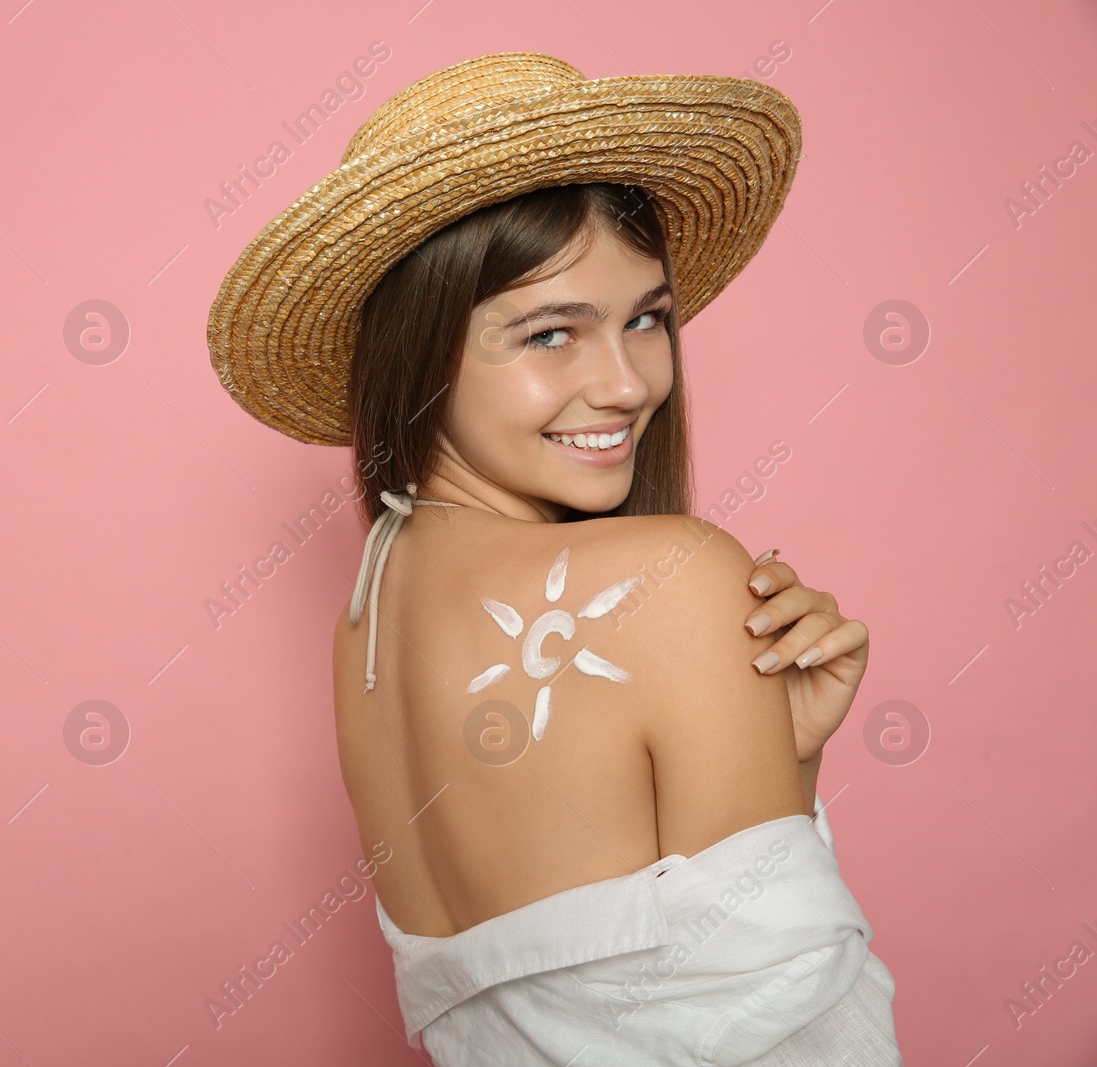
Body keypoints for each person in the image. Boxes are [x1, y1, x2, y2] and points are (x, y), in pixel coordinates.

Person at [207, 52, 899, 1065]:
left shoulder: (368, 619)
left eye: (646, 319)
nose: (624, 382)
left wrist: (777, 747)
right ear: (419, 352)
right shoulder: (674, 578)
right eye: (547, 335)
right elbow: (793, 1031)